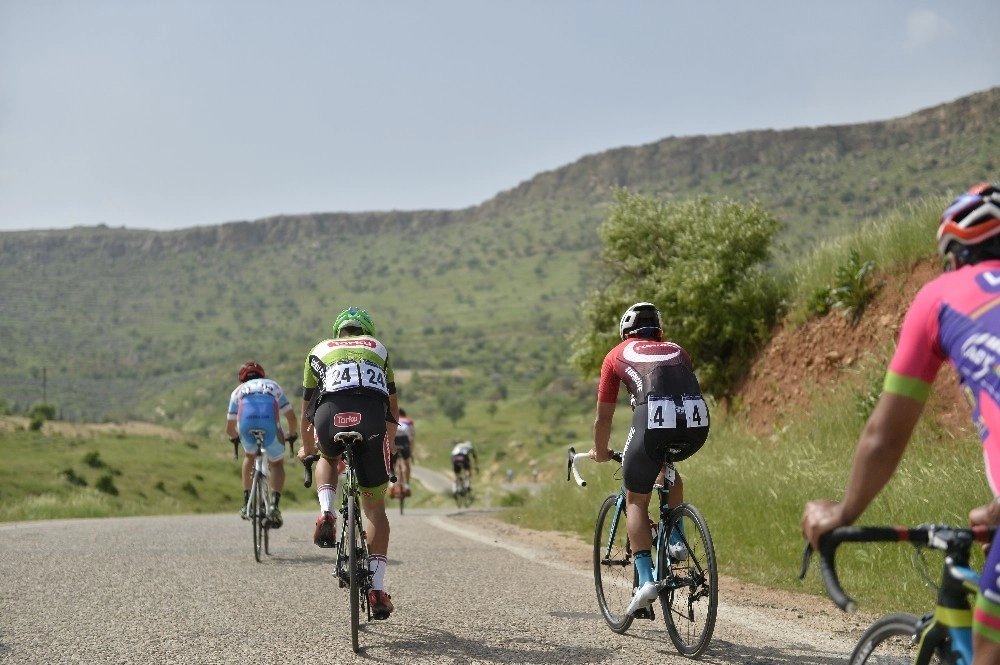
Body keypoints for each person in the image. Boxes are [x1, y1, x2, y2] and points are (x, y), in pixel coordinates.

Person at [801, 182, 1000, 664]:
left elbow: (884, 438)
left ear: (953, 255)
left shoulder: (942, 296)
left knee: (987, 647)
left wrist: (842, 513)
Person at [587, 302, 710, 617]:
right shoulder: (677, 350)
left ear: (625, 332)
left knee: (636, 498)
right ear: (659, 331)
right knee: (666, 468)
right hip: (697, 423)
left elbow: (604, 419)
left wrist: (600, 451)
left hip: (653, 420)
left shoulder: (615, 355)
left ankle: (644, 580)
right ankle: (677, 539)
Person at [297, 307, 399, 619]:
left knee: (326, 456)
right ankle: (377, 589)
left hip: (329, 417)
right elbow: (392, 410)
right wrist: (388, 448)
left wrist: (305, 447)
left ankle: (326, 510)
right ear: (366, 331)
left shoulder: (319, 348)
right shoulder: (378, 348)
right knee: (375, 511)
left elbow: (305, 410)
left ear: (338, 332)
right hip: (370, 420)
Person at [225, 360, 298, 528]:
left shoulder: (238, 391)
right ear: (262, 375)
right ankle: (274, 506)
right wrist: (292, 434)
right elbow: (291, 417)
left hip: (246, 426)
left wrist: (236, 437)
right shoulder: (273, 386)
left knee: (249, 457)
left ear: (242, 379)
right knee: (277, 463)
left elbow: (229, 428)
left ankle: (246, 504)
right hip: (270, 426)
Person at [389, 408, 415, 497]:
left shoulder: (391, 419)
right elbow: (411, 438)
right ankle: (407, 486)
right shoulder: (409, 421)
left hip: (394, 439)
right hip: (404, 441)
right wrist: (410, 452)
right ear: (405, 415)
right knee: (406, 463)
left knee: (391, 463)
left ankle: (392, 484)